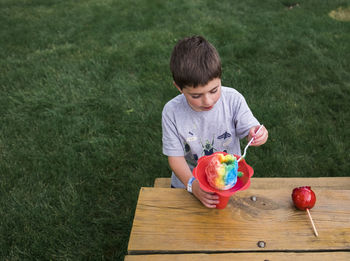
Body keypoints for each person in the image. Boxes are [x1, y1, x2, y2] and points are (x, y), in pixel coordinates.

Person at [162, 35, 268, 208]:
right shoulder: (171, 112)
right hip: (189, 183)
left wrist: (257, 134)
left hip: (228, 184)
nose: (208, 101)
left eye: (214, 90)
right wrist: (192, 185)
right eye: (196, 96)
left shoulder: (233, 100)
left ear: (220, 78)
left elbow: (251, 129)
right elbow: (175, 158)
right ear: (179, 88)